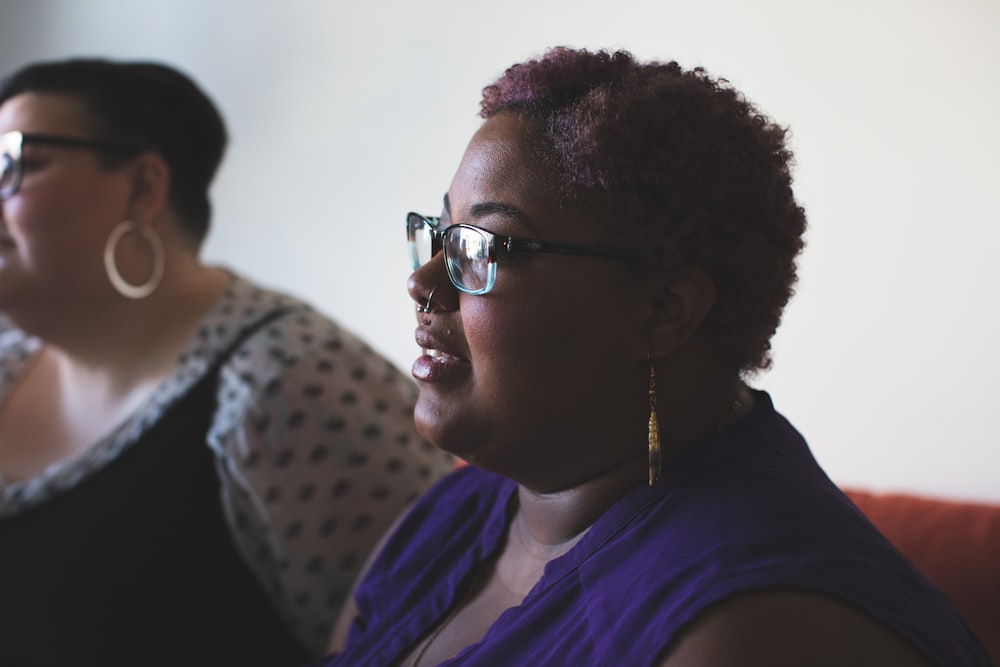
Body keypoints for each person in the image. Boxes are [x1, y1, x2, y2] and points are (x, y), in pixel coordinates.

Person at [321, 47, 993, 666]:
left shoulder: (750, 629)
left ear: (663, 310)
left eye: (482, 247)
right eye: (440, 235)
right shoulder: (460, 511)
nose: (423, 283)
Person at [0, 58, 453, 667]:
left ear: (142, 187)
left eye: (13, 164)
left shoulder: (290, 382)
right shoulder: (7, 367)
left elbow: (425, 634)